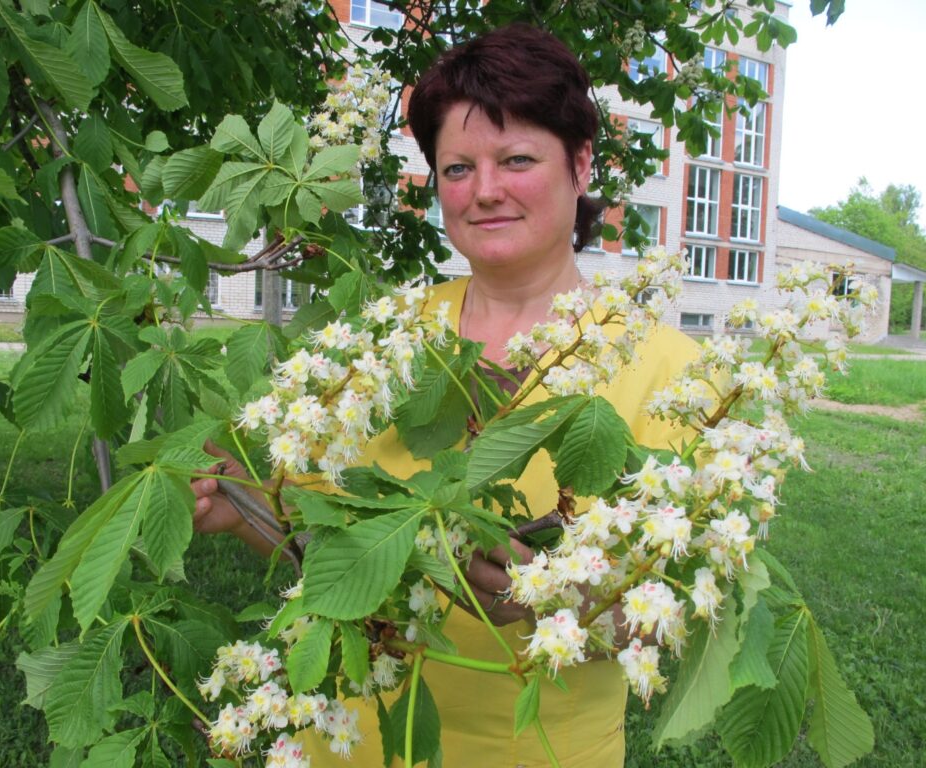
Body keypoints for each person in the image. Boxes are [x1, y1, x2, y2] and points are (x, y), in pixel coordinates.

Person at [192, 24, 702, 767]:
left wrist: (559, 606)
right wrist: (239, 510)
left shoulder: (678, 373)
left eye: (518, 159)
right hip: (346, 742)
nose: (485, 190)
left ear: (582, 165)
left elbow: (680, 613)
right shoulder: (388, 335)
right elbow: (335, 556)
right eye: (457, 168)